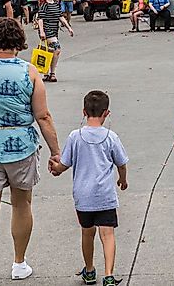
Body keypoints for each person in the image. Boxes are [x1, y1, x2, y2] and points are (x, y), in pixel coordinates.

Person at [0, 17, 63, 286]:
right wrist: (56, 151)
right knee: (21, 204)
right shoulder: (29, 72)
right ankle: (19, 263)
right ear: (18, 42)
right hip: (21, 147)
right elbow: (43, 116)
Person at [57, 90, 128, 286]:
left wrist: (55, 168)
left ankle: (89, 271)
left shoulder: (75, 136)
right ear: (107, 113)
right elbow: (121, 163)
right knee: (108, 234)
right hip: (104, 195)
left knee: (87, 233)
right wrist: (122, 180)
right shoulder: (111, 137)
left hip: (83, 197)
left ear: (83, 111)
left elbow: (64, 164)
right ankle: (109, 275)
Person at [36, 0, 64, 82]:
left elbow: (60, 16)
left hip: (54, 29)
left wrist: (69, 28)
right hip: (47, 29)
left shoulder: (56, 4)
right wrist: (42, 31)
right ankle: (52, 73)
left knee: (50, 51)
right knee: (57, 49)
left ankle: (47, 73)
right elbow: (40, 19)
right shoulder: (44, 5)